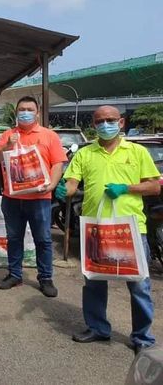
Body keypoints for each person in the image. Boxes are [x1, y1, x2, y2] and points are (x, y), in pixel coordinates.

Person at [56, 105, 160, 354]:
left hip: (130, 228)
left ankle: (142, 338)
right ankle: (98, 328)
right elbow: (72, 184)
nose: (105, 125)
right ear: (94, 125)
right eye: (100, 121)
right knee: (94, 280)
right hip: (95, 228)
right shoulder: (85, 153)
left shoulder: (137, 152)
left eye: (110, 120)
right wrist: (63, 190)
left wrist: (126, 188)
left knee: (139, 285)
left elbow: (154, 186)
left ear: (121, 123)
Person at [0, 96, 66, 297]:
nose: (25, 113)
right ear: (16, 113)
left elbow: (58, 163)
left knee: (43, 239)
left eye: (29, 109)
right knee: (14, 238)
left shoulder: (49, 136)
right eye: (21, 109)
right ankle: (14, 274)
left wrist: (52, 185)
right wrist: (7, 146)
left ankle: (46, 277)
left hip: (40, 198)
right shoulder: (8, 135)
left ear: (37, 113)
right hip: (12, 198)